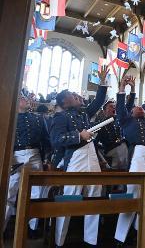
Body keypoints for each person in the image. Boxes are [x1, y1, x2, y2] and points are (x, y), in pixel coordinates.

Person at [50, 70, 108, 246]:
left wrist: (103, 82)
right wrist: (78, 136)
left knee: (94, 198)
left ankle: (90, 240)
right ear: (64, 102)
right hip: (75, 158)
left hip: (91, 156)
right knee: (70, 199)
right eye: (72, 95)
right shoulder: (60, 116)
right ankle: (59, 241)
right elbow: (56, 140)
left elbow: (98, 102)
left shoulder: (83, 113)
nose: (76, 96)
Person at [114, 75, 145, 246]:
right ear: (130, 113)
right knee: (133, 195)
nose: (140, 108)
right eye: (136, 107)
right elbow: (120, 107)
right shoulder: (126, 120)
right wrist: (125, 88)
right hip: (138, 155)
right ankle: (120, 237)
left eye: (141, 107)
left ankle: (138, 232)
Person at [5, 91, 50, 236]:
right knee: (9, 192)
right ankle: (3, 228)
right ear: (16, 101)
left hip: (35, 154)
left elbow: (46, 140)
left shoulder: (38, 118)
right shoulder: (9, 117)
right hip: (15, 156)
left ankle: (32, 228)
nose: (27, 100)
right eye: (23, 98)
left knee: (37, 193)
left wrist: (46, 159)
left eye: (26, 98)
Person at [95, 100, 130, 170]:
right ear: (104, 111)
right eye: (111, 107)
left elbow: (127, 109)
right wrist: (98, 160)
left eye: (114, 107)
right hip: (112, 154)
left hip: (125, 150)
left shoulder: (120, 121)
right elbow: (95, 143)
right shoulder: (100, 125)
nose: (114, 108)